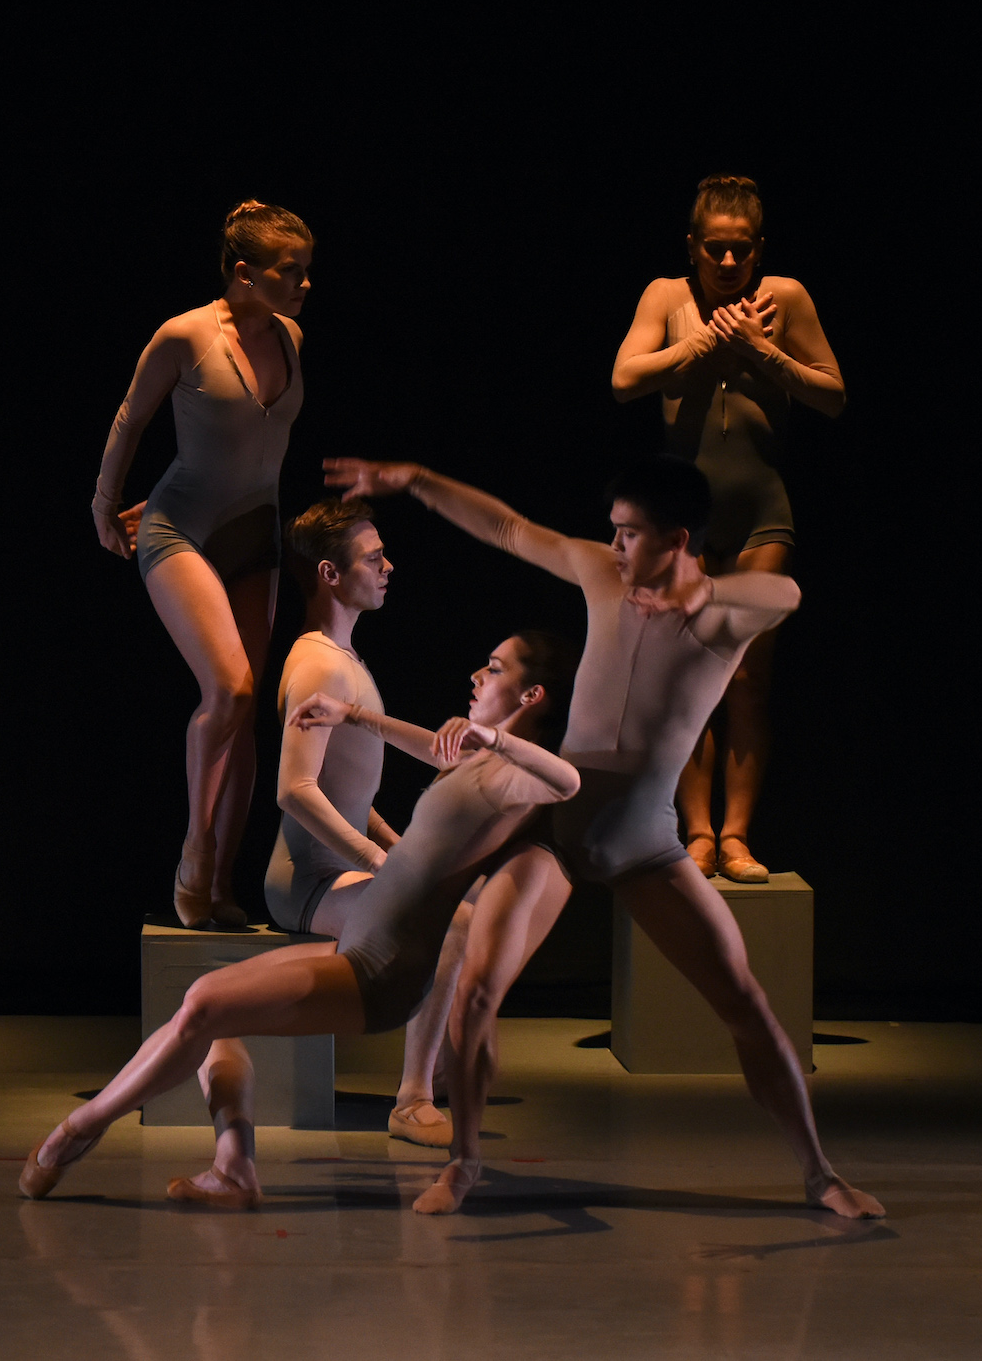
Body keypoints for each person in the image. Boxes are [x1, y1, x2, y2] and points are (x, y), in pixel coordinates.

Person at [323, 454, 881, 1220]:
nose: (612, 547)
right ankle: (465, 1163)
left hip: (645, 841)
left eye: (628, 534)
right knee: (477, 988)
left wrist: (702, 593)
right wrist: (416, 481)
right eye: (611, 532)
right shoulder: (601, 576)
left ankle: (819, 1173)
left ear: (678, 538)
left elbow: (786, 589)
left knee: (744, 1001)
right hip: (555, 829)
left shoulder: (722, 619)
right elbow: (511, 528)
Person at [18, 637, 580, 1207]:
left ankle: (78, 1131)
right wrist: (352, 715)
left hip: (381, 973)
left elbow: (568, 782)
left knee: (204, 1004)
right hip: (360, 950)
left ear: (531, 694)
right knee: (213, 1017)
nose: (477, 675)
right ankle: (233, 1169)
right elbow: (432, 747)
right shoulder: (474, 762)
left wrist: (495, 735)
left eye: (495, 668)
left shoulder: (516, 777)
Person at [210, 499, 482, 1159]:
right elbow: (294, 789)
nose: (388, 566)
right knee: (455, 921)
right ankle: (413, 1098)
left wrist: (392, 846)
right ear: (330, 573)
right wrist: (374, 856)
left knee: (466, 905)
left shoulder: (342, 657)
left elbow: (348, 790)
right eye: (373, 558)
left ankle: (437, 1064)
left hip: (339, 865)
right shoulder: (319, 665)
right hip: (309, 879)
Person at [608, 176, 845, 881]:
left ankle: (738, 835)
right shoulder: (666, 297)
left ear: (759, 249)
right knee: (688, 681)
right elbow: (625, 379)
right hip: (684, 521)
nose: (729, 263)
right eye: (715, 249)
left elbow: (832, 394)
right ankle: (698, 831)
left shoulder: (785, 298)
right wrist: (705, 349)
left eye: (742, 250)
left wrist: (762, 351)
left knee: (746, 679)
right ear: (692, 246)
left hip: (759, 516)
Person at [92, 202, 313, 928]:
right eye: (291, 272)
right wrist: (106, 503)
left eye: (307, 271)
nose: (305, 284)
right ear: (244, 272)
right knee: (230, 687)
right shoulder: (185, 334)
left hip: (256, 534)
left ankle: (218, 883)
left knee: (247, 714)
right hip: (178, 528)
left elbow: (251, 446)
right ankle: (193, 854)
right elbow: (131, 417)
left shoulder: (291, 335)